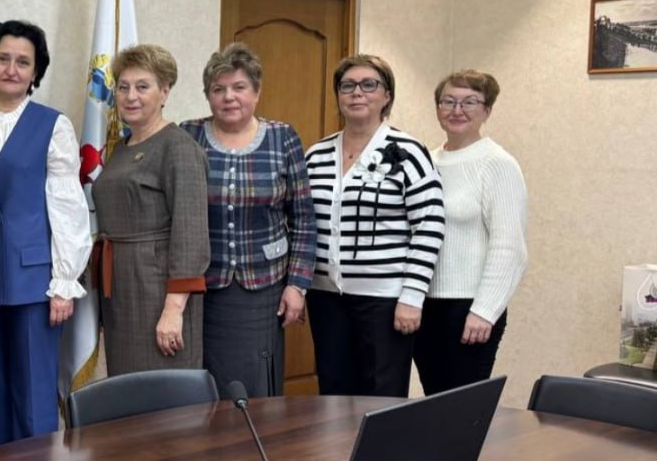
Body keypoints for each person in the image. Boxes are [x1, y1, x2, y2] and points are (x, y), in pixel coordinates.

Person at [0, 21, 92, 451]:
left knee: (33, 395)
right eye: (2, 59)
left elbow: (67, 206)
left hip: (37, 283)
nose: (11, 69)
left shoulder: (53, 125)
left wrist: (64, 282)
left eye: (22, 62)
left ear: (36, 71)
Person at [180, 43, 315, 398]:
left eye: (239, 87)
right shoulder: (188, 135)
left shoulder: (283, 138)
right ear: (208, 95)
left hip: (263, 287)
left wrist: (297, 285)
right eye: (218, 89)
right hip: (202, 287)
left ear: (256, 91)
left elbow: (303, 219)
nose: (229, 97)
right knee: (204, 382)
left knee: (254, 383)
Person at [304, 55, 444, 397]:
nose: (357, 93)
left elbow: (429, 224)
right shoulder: (317, 154)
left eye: (369, 85)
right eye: (347, 85)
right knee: (333, 394)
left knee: (381, 397)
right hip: (326, 298)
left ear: (387, 96)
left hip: (385, 301)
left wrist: (412, 295)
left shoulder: (407, 152)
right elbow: (302, 224)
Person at [94, 43, 210, 376]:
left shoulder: (178, 147)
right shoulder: (121, 147)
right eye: (123, 87)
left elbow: (190, 235)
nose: (130, 96)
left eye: (142, 87)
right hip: (121, 290)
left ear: (164, 91)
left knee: (162, 390)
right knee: (127, 387)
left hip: (158, 291)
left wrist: (173, 310)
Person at [415, 71, 527, 394]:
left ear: (487, 110)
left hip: (469, 309)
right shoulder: (426, 162)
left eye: (469, 102)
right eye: (448, 101)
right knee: (433, 401)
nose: (457, 110)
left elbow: (509, 248)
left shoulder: (498, 164)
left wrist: (485, 311)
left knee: (460, 407)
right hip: (422, 304)